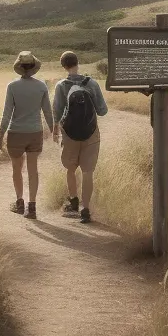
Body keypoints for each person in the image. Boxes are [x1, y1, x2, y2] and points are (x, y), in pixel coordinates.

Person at [52, 50, 108, 223]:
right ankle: (86, 209)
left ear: (63, 66)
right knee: (88, 172)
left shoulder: (61, 85)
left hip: (69, 134)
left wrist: (56, 130)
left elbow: (57, 112)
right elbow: (103, 111)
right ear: (78, 63)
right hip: (91, 134)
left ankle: (73, 201)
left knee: (70, 168)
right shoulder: (92, 83)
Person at [0, 51, 54, 220]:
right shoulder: (41, 86)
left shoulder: (12, 86)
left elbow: (6, 114)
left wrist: (0, 136)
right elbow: (48, 112)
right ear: (34, 67)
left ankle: (19, 202)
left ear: (19, 67)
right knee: (33, 169)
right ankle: (32, 207)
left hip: (16, 133)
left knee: (17, 169)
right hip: (35, 132)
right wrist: (54, 132)